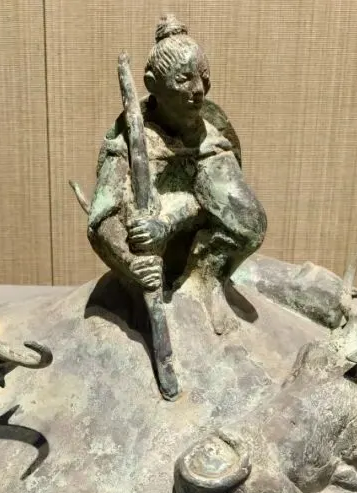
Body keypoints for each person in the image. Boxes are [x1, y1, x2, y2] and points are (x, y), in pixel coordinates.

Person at [86, 15, 267, 335]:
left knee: (251, 222)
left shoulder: (210, 141)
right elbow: (101, 220)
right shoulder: (128, 144)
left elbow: (244, 220)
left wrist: (169, 221)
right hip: (144, 266)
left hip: (194, 251)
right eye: (184, 79)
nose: (198, 90)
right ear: (152, 84)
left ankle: (206, 281)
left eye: (204, 78)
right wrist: (132, 265)